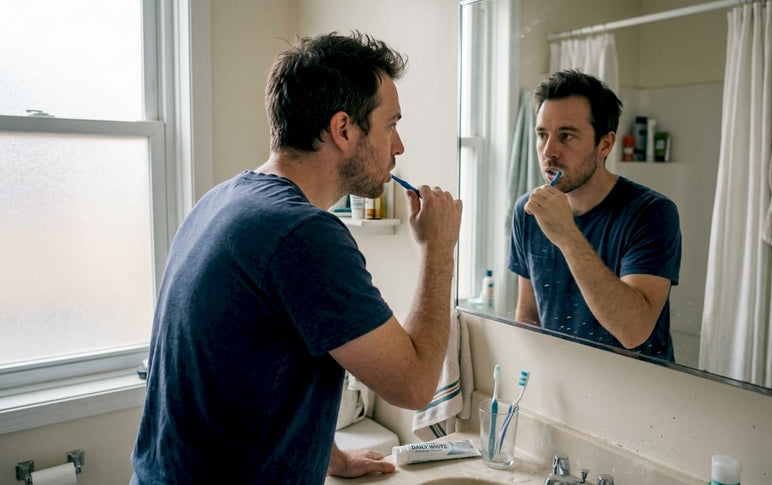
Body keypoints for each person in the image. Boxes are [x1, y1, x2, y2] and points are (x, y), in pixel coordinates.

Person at [130, 32, 462, 484]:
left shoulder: (224, 201)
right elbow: (416, 386)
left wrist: (330, 456)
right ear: (344, 129)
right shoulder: (305, 235)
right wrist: (438, 250)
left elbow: (259, 369)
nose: (398, 147)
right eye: (391, 125)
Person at [508, 70, 680, 361]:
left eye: (566, 136)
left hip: (638, 385)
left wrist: (567, 235)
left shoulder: (652, 213)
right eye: (542, 135)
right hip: (562, 380)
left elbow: (633, 331)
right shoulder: (528, 211)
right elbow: (528, 315)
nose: (549, 151)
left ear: (605, 144)